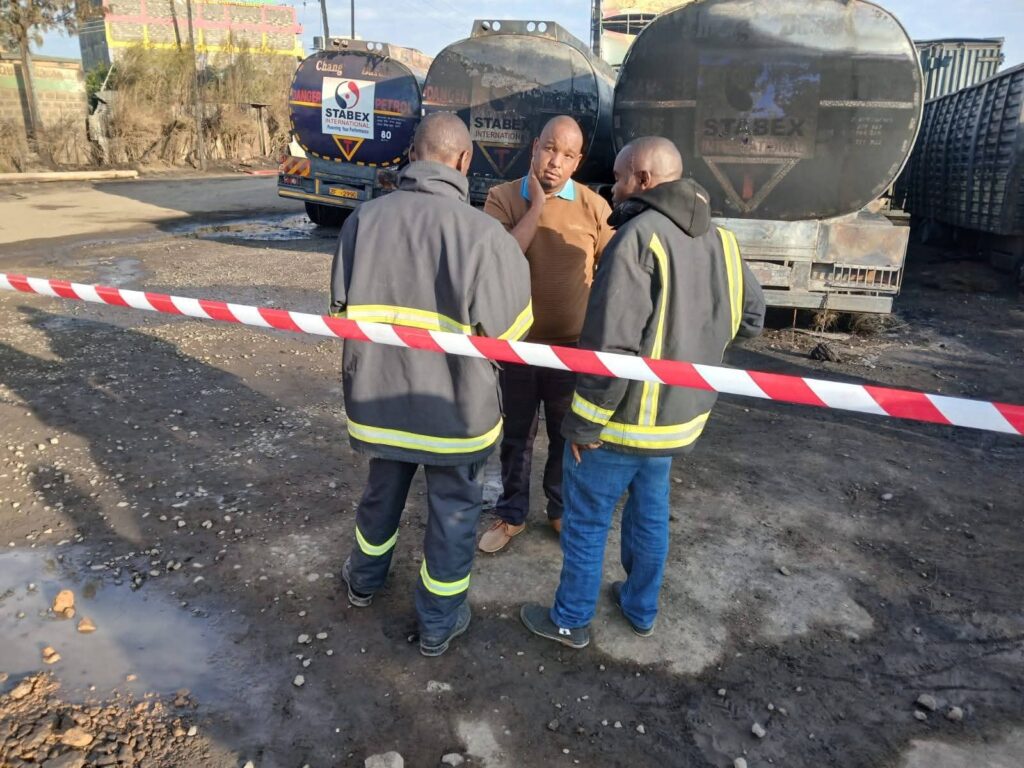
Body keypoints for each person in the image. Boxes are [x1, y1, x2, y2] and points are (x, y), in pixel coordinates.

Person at [521, 136, 766, 648]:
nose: (613, 188)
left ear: (645, 179)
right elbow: (751, 320)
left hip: (622, 423)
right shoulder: (723, 241)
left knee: (587, 522)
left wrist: (583, 425)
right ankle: (640, 608)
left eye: (619, 177)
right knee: (650, 516)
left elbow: (611, 347)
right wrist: (698, 342)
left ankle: (570, 620)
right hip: (678, 421)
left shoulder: (638, 237)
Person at [330, 113, 533, 657]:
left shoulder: (363, 221)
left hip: (379, 402)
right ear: (464, 161)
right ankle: (439, 624)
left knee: (381, 493)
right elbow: (511, 336)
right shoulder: (486, 237)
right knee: (454, 516)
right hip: (456, 412)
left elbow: (341, 311)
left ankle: (363, 581)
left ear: (412, 154)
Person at [478, 115, 615, 554]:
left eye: (567, 155)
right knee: (516, 437)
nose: (555, 162)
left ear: (578, 161)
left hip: (571, 351)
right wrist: (536, 205)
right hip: (516, 348)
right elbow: (500, 259)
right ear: (535, 146)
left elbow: (615, 271)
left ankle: (559, 510)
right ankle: (512, 513)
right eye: (550, 149)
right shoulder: (501, 198)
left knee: (564, 436)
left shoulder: (595, 207)